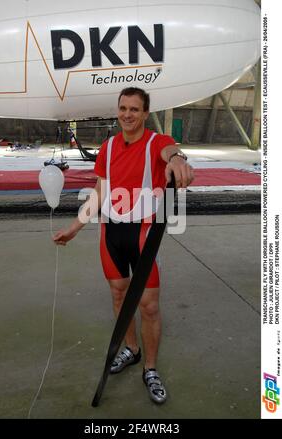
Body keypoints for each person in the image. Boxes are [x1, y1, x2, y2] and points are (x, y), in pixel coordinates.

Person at [53, 87, 194, 404]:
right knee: (119, 295)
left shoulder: (156, 142)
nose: (128, 114)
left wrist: (179, 160)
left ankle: (151, 369)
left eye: (134, 109)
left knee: (149, 306)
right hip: (111, 233)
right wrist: (75, 228)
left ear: (145, 113)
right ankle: (131, 349)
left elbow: (171, 152)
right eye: (123, 108)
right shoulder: (108, 147)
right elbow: (100, 192)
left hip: (142, 232)